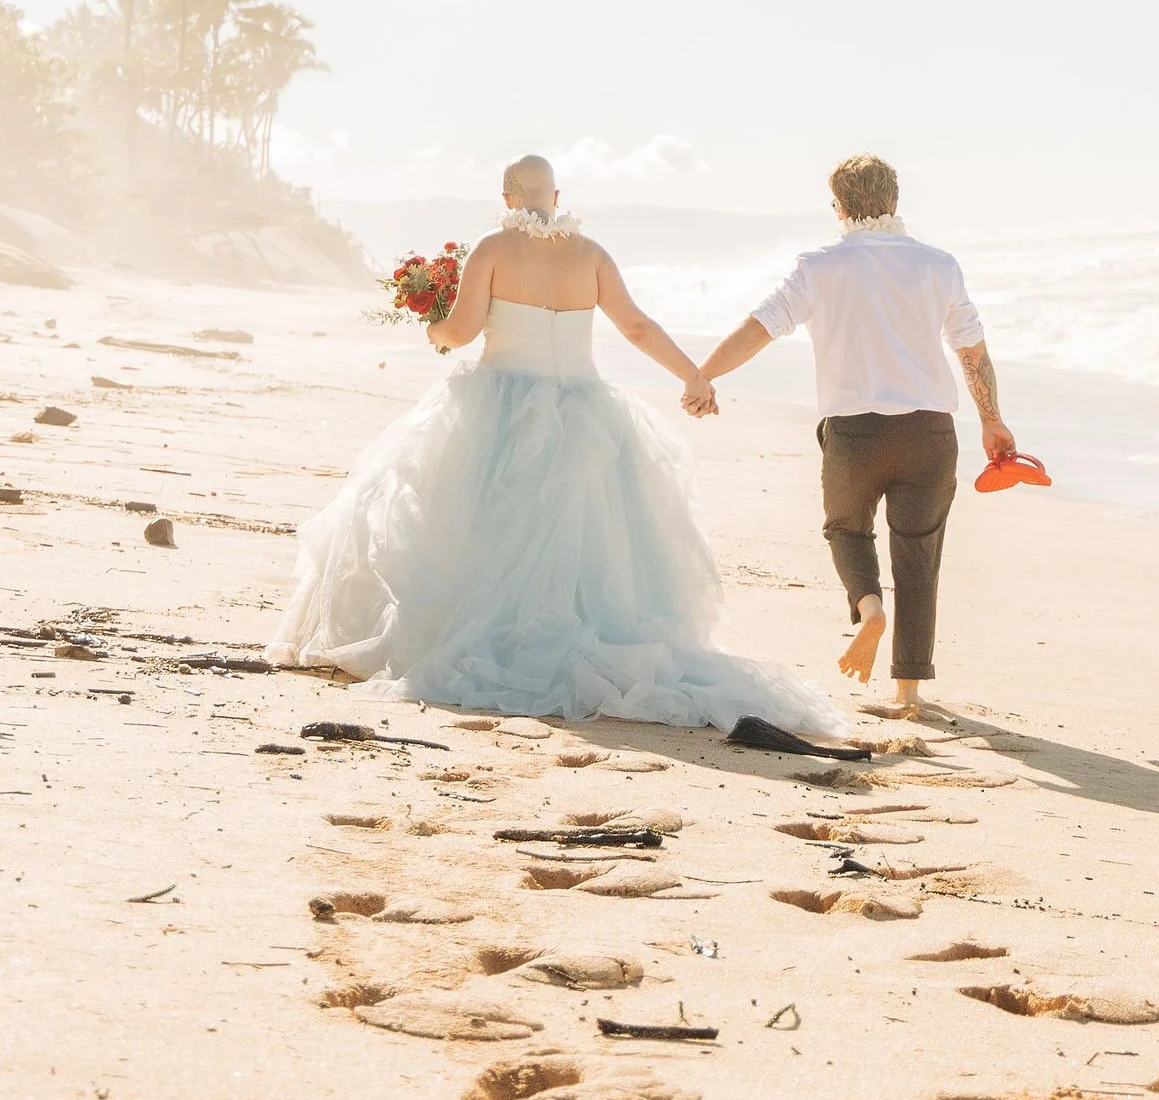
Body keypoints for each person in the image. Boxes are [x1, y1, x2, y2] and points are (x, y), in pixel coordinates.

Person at [275, 153, 847, 735]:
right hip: (582, 410)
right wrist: (693, 378)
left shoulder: (493, 249)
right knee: (583, 541)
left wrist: (434, 329)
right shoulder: (592, 254)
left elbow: (463, 331)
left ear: (506, 198)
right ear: (555, 195)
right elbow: (637, 327)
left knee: (480, 526)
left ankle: (484, 633)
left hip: (499, 405)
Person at [686, 153, 1016, 718]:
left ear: (839, 207)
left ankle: (869, 610)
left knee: (846, 529)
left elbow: (759, 328)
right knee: (919, 553)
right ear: (895, 203)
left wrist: (703, 376)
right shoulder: (939, 265)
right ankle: (908, 691)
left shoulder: (819, 267)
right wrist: (991, 419)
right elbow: (972, 350)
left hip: (854, 433)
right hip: (930, 431)